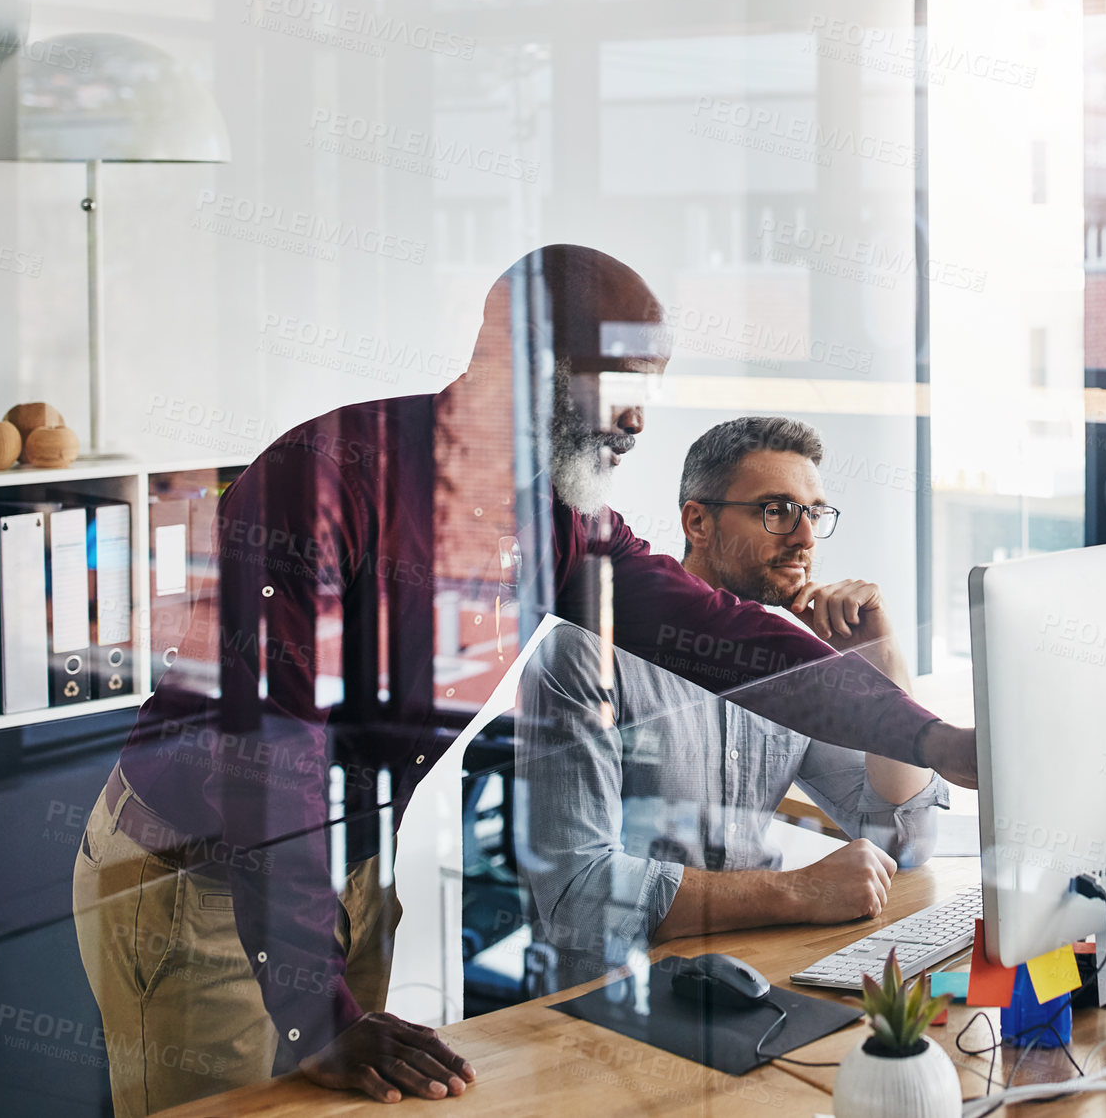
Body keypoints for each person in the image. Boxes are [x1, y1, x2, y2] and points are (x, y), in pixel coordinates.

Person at [72, 246, 976, 1116]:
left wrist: (931, 740)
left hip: (338, 871)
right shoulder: (320, 482)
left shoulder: (556, 521)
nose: (637, 423)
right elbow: (270, 757)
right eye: (621, 388)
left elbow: (724, 636)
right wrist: (321, 1017)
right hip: (199, 884)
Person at [518, 416, 946, 988]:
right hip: (618, 1004)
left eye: (813, 513)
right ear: (697, 521)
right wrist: (800, 891)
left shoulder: (790, 666)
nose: (805, 538)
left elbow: (907, 839)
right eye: (776, 511)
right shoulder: (586, 653)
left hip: (760, 979)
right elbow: (580, 899)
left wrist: (881, 659)